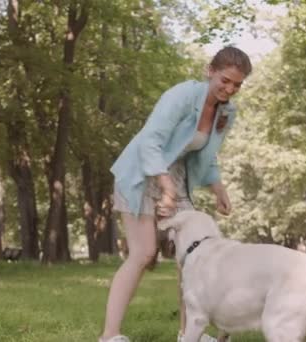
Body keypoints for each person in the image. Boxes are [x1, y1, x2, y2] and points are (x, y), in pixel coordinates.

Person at [99, 46, 252, 342]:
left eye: (237, 84)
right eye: (225, 80)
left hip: (177, 178)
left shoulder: (226, 112)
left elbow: (208, 156)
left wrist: (217, 187)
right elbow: (150, 141)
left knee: (193, 257)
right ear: (210, 71)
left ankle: (188, 333)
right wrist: (165, 187)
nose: (230, 89)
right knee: (143, 253)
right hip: (143, 173)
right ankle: (109, 335)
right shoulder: (182, 95)